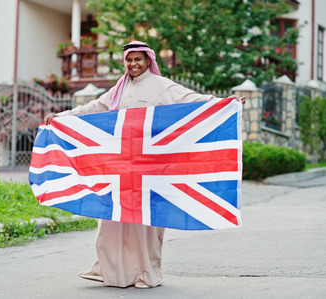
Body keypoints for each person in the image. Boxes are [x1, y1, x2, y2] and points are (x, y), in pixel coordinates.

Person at [44, 41, 245, 288]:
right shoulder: (119, 88)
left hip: (149, 169)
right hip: (120, 168)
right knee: (112, 219)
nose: (133, 64)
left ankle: (147, 274)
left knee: (145, 225)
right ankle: (110, 271)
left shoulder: (161, 86)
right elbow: (94, 107)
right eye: (129, 60)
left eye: (138, 59)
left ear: (148, 60)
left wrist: (224, 103)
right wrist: (63, 117)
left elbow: (191, 99)